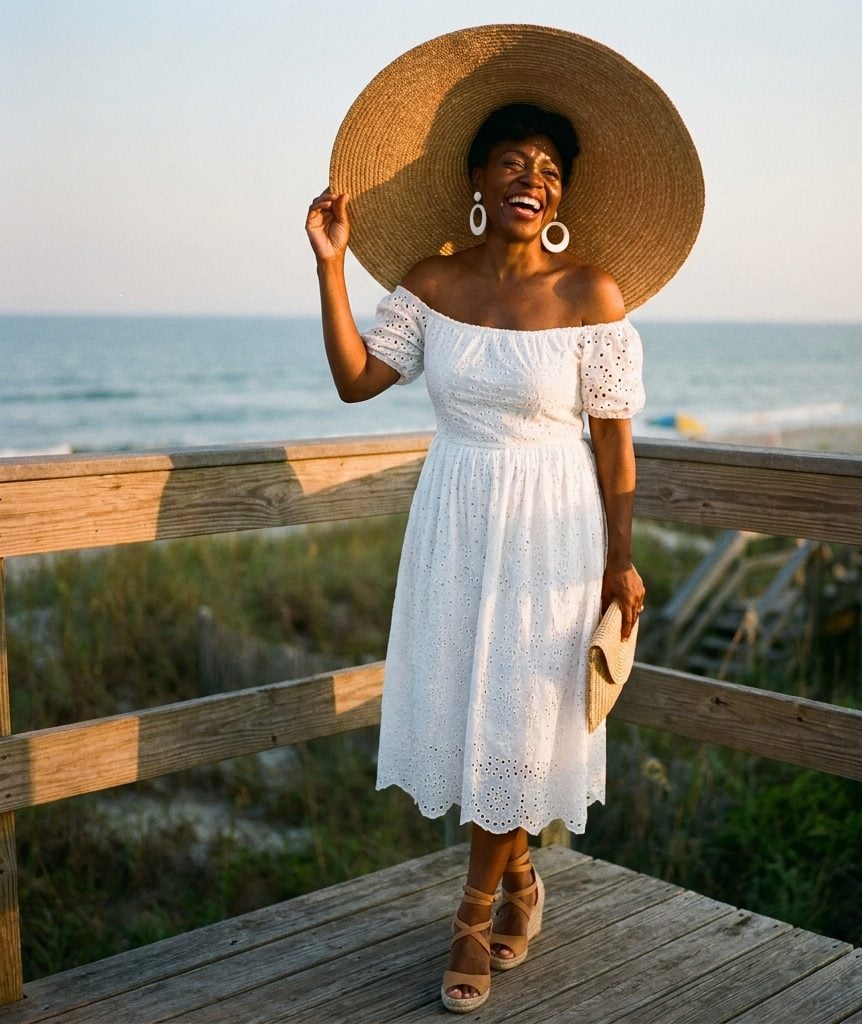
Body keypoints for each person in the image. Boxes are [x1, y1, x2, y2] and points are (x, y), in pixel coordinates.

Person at [305, 25, 703, 1014]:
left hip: (556, 525)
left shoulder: (592, 293)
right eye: (515, 162)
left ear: (561, 194)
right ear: (478, 178)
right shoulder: (431, 286)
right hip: (455, 516)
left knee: (521, 715)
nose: (535, 179)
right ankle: (523, 878)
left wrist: (621, 559)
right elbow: (359, 381)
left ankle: (472, 915)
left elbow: (614, 444)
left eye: (551, 169)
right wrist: (329, 264)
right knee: (477, 711)